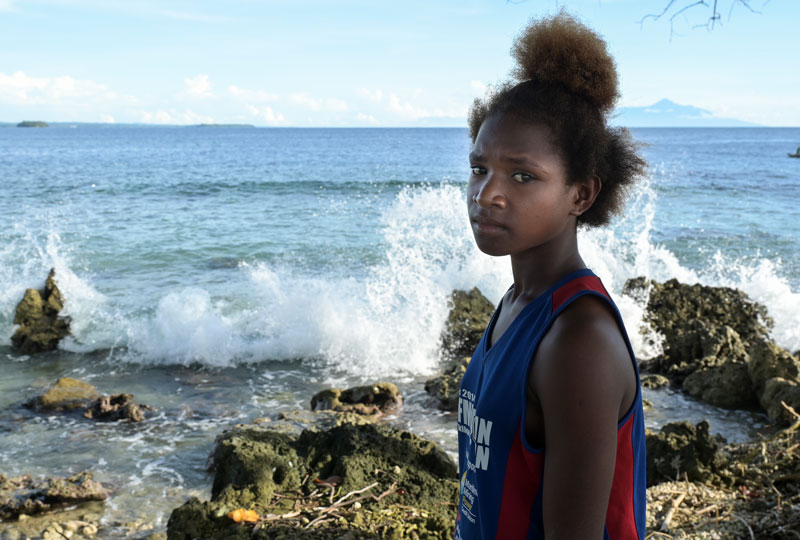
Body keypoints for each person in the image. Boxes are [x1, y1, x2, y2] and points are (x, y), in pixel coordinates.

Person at [455, 11, 648, 540]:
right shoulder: (519, 302)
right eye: (479, 168)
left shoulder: (576, 339)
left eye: (523, 175)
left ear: (581, 194)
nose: (487, 193)